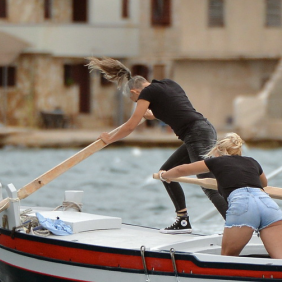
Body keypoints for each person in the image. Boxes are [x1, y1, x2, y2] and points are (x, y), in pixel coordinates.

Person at [88, 57, 228, 233]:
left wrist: (109, 139)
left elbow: (131, 125)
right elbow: (176, 108)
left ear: (135, 92)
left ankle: (237, 225)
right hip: (204, 129)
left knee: (208, 184)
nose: (137, 103)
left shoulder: (147, 93)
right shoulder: (168, 83)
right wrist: (152, 115)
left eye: (135, 101)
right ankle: (182, 221)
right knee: (166, 173)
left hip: (196, 134)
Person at [160, 133, 282, 259]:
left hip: (243, 206)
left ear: (218, 151)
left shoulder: (216, 161)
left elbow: (181, 169)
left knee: (228, 258)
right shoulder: (252, 161)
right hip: (268, 204)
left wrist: (164, 175)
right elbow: (264, 183)